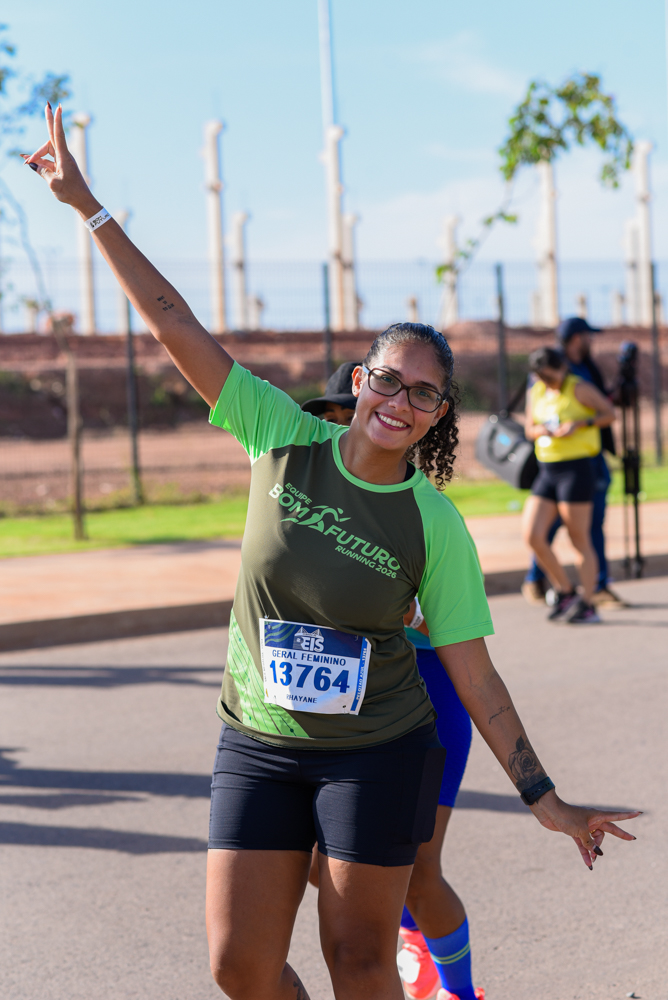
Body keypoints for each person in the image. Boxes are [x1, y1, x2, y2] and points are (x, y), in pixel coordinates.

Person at [26, 104, 640, 1000]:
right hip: (259, 740)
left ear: (437, 415)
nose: (400, 401)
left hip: (375, 753)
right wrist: (89, 207)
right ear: (361, 382)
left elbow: (475, 676)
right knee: (239, 967)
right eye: (389, 380)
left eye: (423, 394)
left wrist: (543, 797)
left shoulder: (432, 522)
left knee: (360, 962)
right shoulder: (279, 435)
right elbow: (172, 321)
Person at [307, 374, 483, 1000]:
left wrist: (405, 609)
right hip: (345, 709)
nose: (336, 432)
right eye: (327, 422)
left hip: (426, 702)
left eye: (340, 417)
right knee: (320, 865)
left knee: (419, 870)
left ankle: (461, 992)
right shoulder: (307, 505)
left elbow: (453, 625)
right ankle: (411, 939)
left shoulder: (419, 511)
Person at [522, 317, 625, 610]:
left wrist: (580, 424)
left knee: (581, 535)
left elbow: (608, 413)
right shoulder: (538, 388)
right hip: (548, 469)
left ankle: (589, 600)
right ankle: (564, 590)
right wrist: (543, 430)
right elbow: (529, 428)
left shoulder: (579, 383)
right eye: (542, 377)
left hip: (578, 467)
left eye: (550, 377)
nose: (546, 382)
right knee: (534, 535)